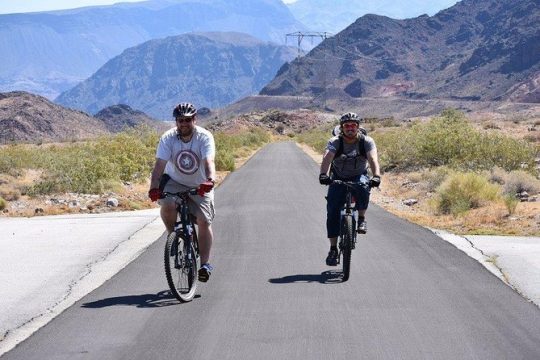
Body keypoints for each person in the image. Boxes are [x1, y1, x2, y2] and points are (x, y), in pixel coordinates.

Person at [148, 102, 216, 282]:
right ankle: (174, 236)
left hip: (200, 183)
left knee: (203, 221)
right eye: (180, 120)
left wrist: (210, 180)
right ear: (176, 121)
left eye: (187, 120)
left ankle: (205, 264)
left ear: (195, 119)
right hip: (175, 182)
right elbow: (159, 167)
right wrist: (153, 188)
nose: (184, 124)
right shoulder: (168, 138)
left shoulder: (204, 137)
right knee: (168, 204)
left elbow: (209, 161)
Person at [319, 112, 381, 266]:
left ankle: (361, 219)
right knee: (332, 211)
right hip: (338, 177)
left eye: (353, 125)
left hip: (358, 175)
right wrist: (323, 174)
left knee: (364, 187)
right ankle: (333, 249)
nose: (350, 128)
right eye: (347, 125)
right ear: (342, 128)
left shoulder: (366, 141)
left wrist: (377, 176)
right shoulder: (335, 141)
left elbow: (373, 158)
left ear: (358, 127)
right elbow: (327, 157)